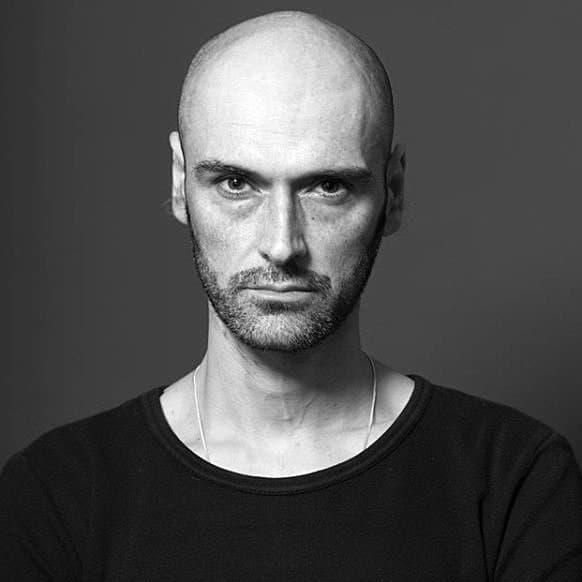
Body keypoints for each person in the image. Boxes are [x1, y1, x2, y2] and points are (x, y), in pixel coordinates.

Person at [1, 10, 581, 581]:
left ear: (393, 192)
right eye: (236, 184)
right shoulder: (55, 496)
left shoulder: (516, 482)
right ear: (180, 183)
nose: (281, 245)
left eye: (328, 187)